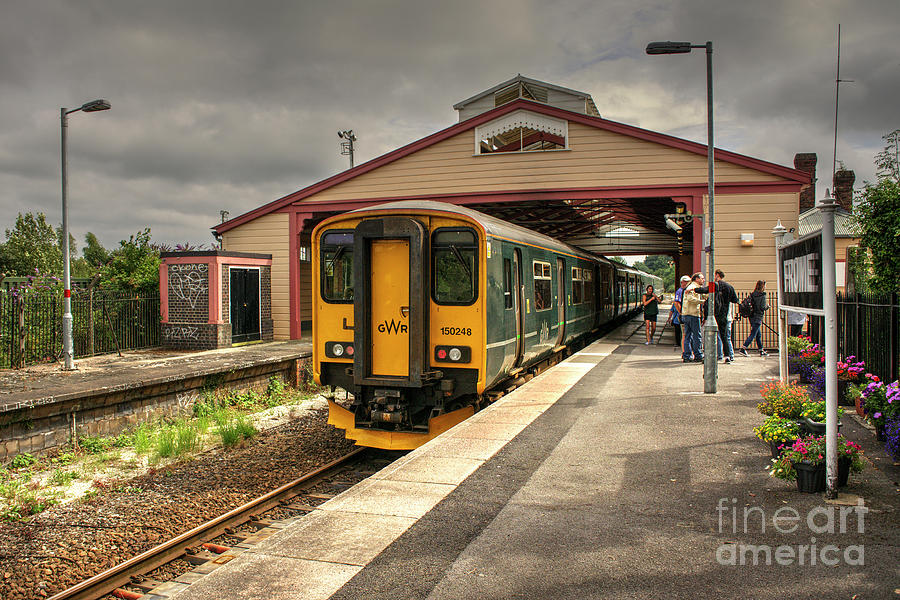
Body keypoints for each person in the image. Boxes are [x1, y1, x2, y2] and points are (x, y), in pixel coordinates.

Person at [681, 273, 709, 363]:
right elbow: (690, 298)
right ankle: (698, 355)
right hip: (693, 314)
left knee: (688, 336)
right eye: (702, 278)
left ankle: (687, 355)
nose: (703, 280)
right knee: (697, 335)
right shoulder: (692, 287)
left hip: (686, 314)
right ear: (697, 279)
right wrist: (702, 302)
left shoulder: (691, 287)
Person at [714, 269, 739, 364]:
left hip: (719, 316)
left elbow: (705, 290)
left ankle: (720, 355)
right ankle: (729, 355)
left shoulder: (716, 286)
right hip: (728, 316)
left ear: (717, 275)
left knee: (719, 336)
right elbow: (735, 300)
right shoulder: (730, 287)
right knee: (726, 337)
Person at [739, 280, 769, 356]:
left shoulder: (753, 294)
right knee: (753, 334)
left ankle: (761, 350)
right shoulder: (762, 296)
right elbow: (762, 307)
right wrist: (767, 307)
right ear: (763, 286)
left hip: (752, 316)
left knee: (758, 334)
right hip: (758, 317)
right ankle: (743, 348)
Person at [667, 275, 690, 351]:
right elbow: (676, 303)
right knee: (684, 334)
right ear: (682, 282)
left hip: (683, 315)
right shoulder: (680, 291)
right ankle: (684, 350)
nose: (687, 283)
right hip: (680, 316)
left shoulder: (685, 290)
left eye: (688, 282)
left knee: (685, 334)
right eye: (686, 282)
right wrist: (681, 312)